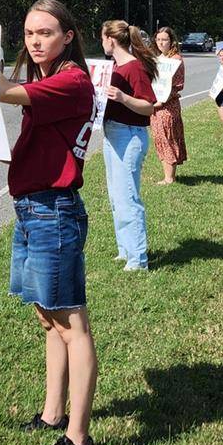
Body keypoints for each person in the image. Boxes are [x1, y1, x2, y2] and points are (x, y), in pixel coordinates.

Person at [0, 0, 99, 445]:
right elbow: (38, 152)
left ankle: (79, 442)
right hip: (34, 209)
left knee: (72, 325)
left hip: (53, 213)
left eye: (45, 33)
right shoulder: (49, 82)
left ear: (68, 36)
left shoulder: (71, 82)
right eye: (29, 33)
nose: (34, 41)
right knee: (49, 320)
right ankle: (54, 415)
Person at [100, 20, 157, 272]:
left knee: (128, 197)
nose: (102, 43)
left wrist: (123, 98)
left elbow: (149, 105)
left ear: (111, 40)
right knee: (116, 196)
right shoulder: (112, 67)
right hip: (112, 132)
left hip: (129, 135)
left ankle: (138, 259)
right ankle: (125, 250)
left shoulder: (134, 68)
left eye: (102, 38)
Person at [150, 27, 187, 185]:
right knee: (159, 137)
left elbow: (177, 86)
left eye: (164, 39)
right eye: (158, 39)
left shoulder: (176, 60)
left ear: (171, 41)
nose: (161, 43)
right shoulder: (159, 58)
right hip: (156, 105)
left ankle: (169, 178)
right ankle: (167, 176)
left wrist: (162, 101)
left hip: (168, 106)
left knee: (168, 138)